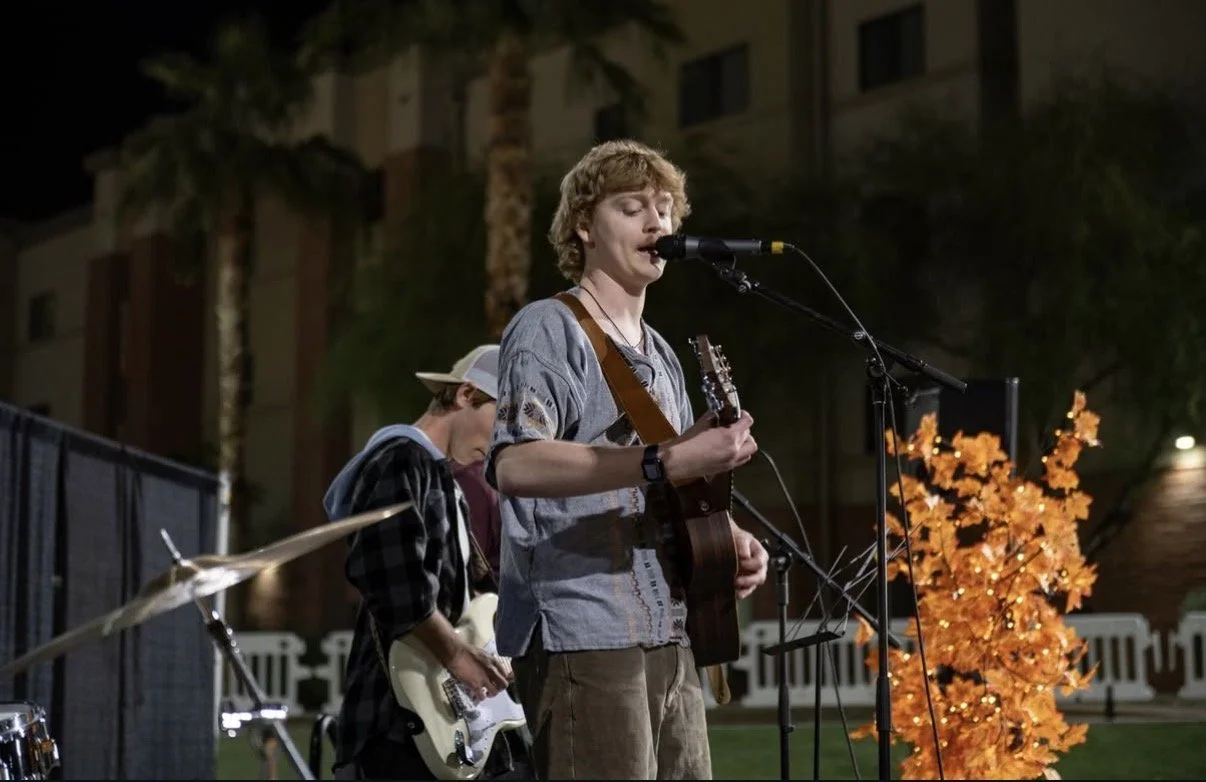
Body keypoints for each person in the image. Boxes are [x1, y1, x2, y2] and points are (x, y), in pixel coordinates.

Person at [485, 139, 771, 780]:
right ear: (585, 225)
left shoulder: (662, 353)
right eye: (633, 206)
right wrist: (661, 459)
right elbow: (515, 465)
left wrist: (729, 535)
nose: (658, 223)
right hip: (582, 628)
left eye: (666, 208)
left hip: (671, 629)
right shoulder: (548, 327)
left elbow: (663, 484)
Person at [322, 344, 528, 780]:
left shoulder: (441, 479)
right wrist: (458, 656)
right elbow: (394, 583)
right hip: (392, 722)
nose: (499, 444)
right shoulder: (400, 458)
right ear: (466, 395)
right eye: (500, 422)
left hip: (426, 718)